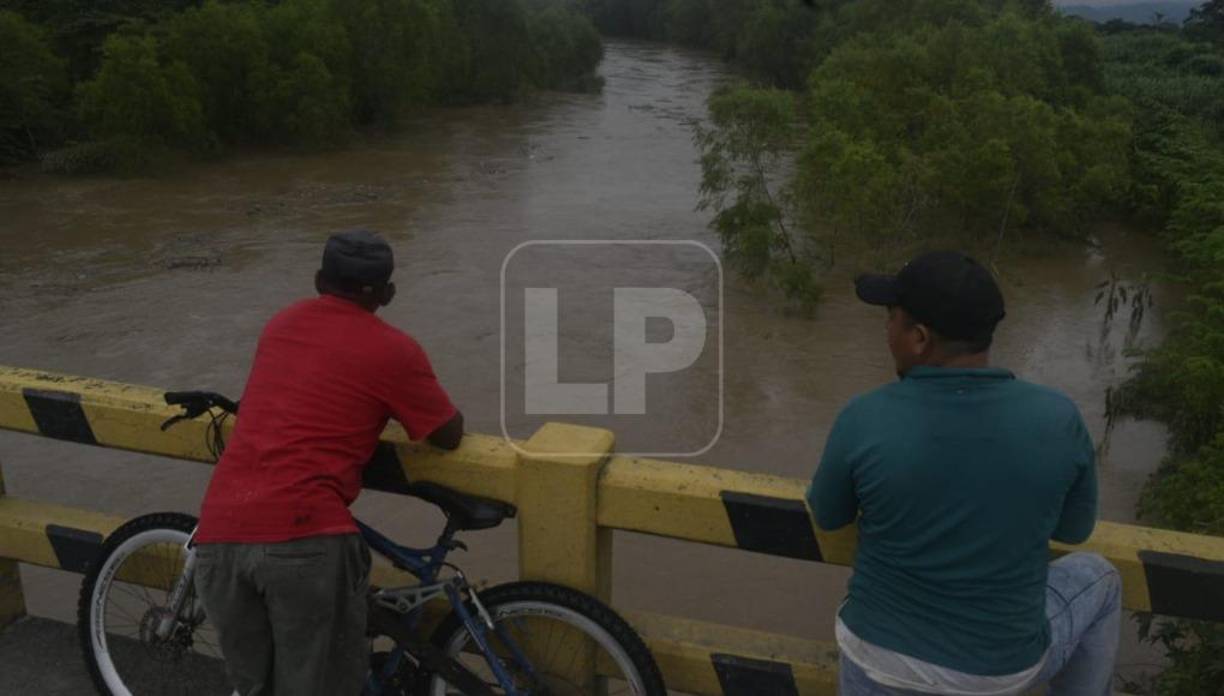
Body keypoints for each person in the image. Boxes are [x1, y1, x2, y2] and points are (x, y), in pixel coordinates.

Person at [807, 251, 1121, 696]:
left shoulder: (864, 417)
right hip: (996, 669)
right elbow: (1074, 530)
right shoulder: (1058, 417)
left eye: (890, 319)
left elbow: (828, 514)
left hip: (876, 656)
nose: (885, 332)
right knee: (1100, 575)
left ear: (918, 338)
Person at [192, 230, 464, 696]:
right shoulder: (394, 350)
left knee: (253, 688)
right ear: (388, 293)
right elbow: (448, 433)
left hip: (220, 536)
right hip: (304, 538)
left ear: (319, 280)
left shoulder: (279, 325)